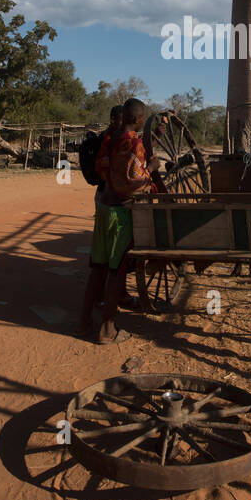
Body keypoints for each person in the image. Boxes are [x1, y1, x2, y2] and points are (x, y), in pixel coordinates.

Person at [78, 98, 156, 344]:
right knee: (116, 271)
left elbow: (103, 170)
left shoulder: (108, 139)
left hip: (103, 207)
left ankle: (83, 322)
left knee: (98, 268)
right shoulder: (135, 143)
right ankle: (107, 330)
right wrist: (151, 169)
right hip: (121, 214)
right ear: (138, 119)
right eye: (143, 118)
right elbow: (134, 181)